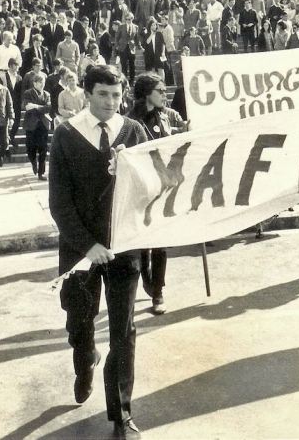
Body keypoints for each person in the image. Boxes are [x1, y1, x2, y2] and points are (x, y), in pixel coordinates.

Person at [49, 64, 147, 436]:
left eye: (116, 95)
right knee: (79, 321)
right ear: (87, 94)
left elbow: (153, 186)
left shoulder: (133, 131)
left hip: (123, 247)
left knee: (123, 330)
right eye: (103, 94)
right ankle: (85, 358)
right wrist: (87, 245)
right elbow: (59, 202)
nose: (110, 102)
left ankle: (121, 414)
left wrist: (130, 170)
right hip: (80, 250)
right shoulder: (66, 134)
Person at [129, 73, 187, 315]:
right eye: (160, 91)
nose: (165, 94)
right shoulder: (131, 121)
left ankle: (158, 291)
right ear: (146, 94)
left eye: (165, 90)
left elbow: (170, 144)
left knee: (160, 241)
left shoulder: (164, 116)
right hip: (142, 188)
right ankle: (147, 278)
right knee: (144, 244)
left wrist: (184, 132)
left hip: (163, 185)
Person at [22, 72, 52, 180]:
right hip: (31, 124)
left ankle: (41, 172)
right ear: (34, 83)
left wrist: (35, 106)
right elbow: (26, 107)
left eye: (43, 82)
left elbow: (48, 108)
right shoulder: (28, 93)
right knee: (30, 148)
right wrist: (41, 107)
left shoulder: (47, 94)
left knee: (43, 149)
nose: (42, 84)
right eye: (40, 82)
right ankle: (33, 162)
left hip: (43, 124)